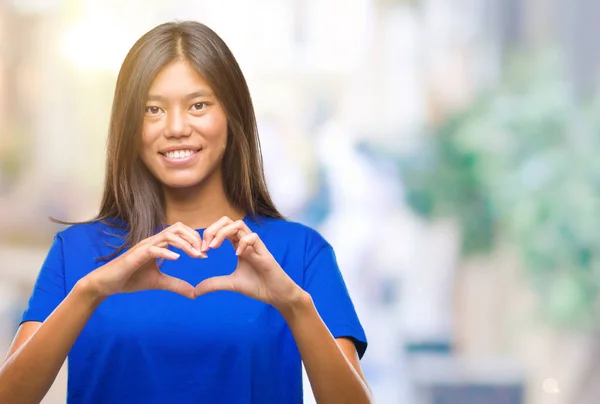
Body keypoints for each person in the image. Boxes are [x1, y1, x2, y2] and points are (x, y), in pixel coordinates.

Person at [0, 21, 370, 404]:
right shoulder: (75, 251)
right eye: (153, 109)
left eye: (198, 105)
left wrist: (294, 305)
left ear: (231, 115)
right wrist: (90, 291)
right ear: (130, 125)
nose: (176, 127)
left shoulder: (301, 252)